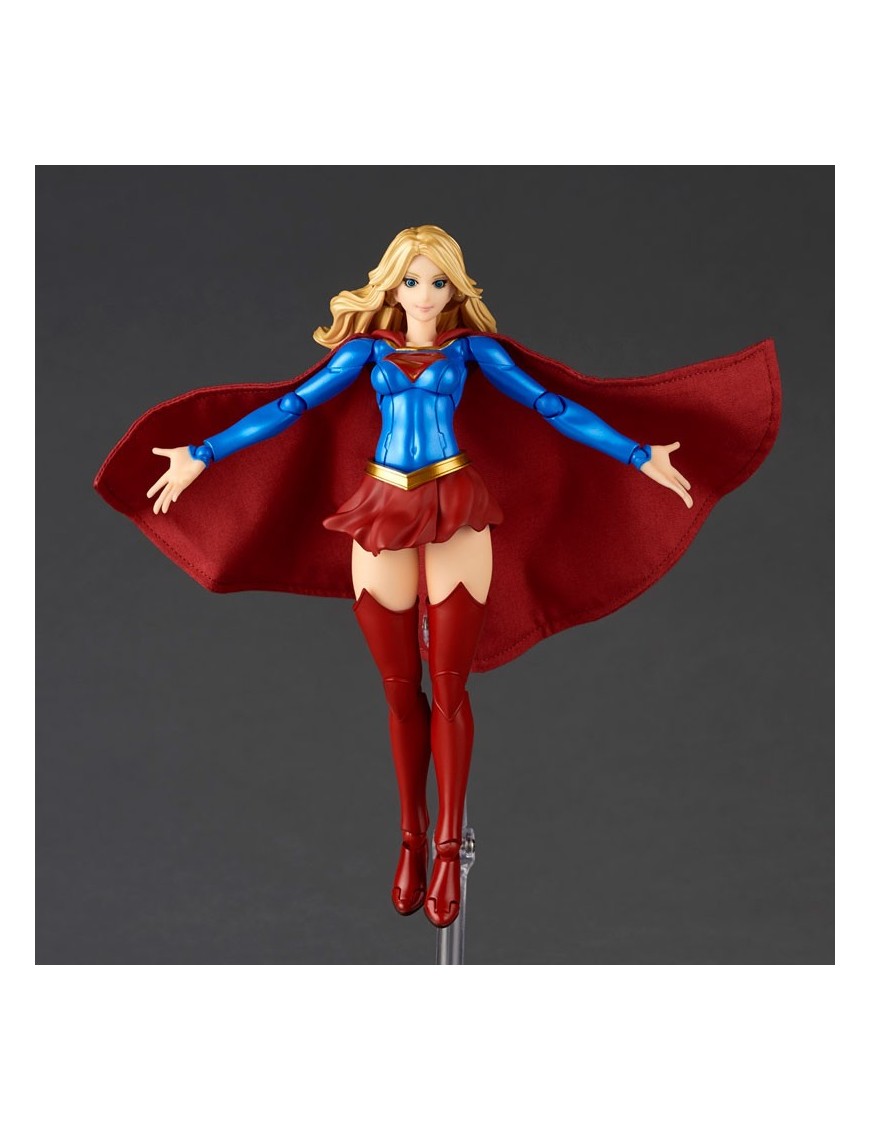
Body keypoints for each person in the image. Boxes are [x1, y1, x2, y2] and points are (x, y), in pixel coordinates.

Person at [95, 225, 781, 930]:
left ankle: (450, 846)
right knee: (399, 691)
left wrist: (638, 454)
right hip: (380, 505)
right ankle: (410, 836)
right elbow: (291, 406)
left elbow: (550, 405)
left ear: (455, 288)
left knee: (449, 686)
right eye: (412, 280)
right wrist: (202, 454)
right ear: (392, 286)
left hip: (457, 506)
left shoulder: (473, 351)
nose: (424, 294)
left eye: (438, 281)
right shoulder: (366, 352)